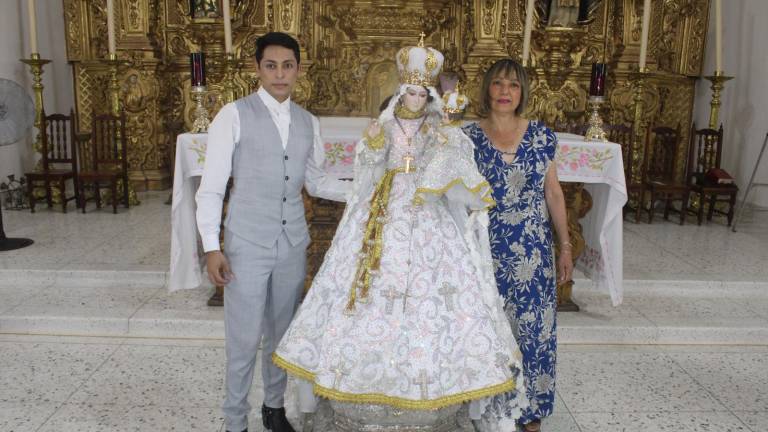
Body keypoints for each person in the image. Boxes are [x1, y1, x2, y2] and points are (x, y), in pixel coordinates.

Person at [273, 38, 527, 428]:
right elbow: (370, 165)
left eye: (420, 92)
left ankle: (433, 379)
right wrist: (374, 143)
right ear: (399, 92)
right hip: (385, 208)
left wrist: (447, 140)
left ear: (427, 95)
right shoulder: (386, 123)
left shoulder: (437, 127)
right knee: (370, 284)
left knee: (435, 288)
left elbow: (452, 165)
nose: (413, 97)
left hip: (428, 210)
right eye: (408, 91)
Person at [195, 32, 348, 432]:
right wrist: (213, 248)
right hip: (246, 242)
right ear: (257, 68)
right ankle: (234, 421)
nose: (280, 74)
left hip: (292, 242)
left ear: (298, 69)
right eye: (271, 65)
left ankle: (274, 408)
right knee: (244, 339)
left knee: (282, 333)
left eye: (287, 65)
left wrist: (370, 189)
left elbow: (316, 181)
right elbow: (211, 188)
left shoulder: (307, 121)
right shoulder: (233, 114)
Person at [463, 59, 574, 432]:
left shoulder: (542, 136)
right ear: (487, 90)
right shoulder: (467, 137)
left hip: (531, 252)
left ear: (522, 91)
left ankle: (531, 416)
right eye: (497, 84)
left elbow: (554, 194)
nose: (505, 92)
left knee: (534, 332)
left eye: (512, 85)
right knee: (490, 331)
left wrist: (566, 246)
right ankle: (489, 413)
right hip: (485, 250)